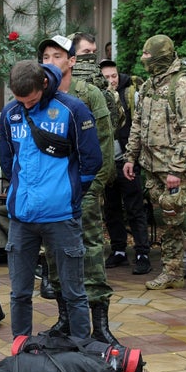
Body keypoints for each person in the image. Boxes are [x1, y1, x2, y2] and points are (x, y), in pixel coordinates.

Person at [0, 60, 102, 341]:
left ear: (43, 85)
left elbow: (92, 161)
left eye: (31, 100)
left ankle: (81, 351)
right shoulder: (10, 113)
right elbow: (8, 162)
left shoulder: (72, 109)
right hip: (22, 218)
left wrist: (67, 194)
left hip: (62, 217)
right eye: (21, 101)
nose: (26, 106)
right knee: (19, 293)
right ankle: (20, 349)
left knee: (73, 292)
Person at [40, 34, 122, 346]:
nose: (50, 62)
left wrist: (92, 189)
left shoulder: (88, 95)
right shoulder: (41, 97)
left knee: (91, 252)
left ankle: (100, 324)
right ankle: (65, 320)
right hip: (52, 195)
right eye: (45, 57)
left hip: (84, 192)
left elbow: (104, 149)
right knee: (55, 256)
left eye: (57, 56)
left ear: (72, 61)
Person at [123, 34, 186, 300]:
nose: (144, 62)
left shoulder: (184, 85)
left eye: (148, 58)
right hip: (152, 168)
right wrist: (130, 157)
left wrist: (176, 170)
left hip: (178, 172)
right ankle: (172, 272)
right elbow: (138, 124)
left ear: (161, 58)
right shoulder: (149, 85)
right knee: (167, 222)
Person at [99, 58, 152, 274]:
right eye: (107, 77)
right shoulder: (97, 96)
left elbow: (138, 126)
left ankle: (142, 253)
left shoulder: (130, 93)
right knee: (111, 209)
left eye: (114, 76)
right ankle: (118, 250)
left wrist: (133, 158)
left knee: (134, 208)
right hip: (106, 163)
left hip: (127, 162)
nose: (112, 80)